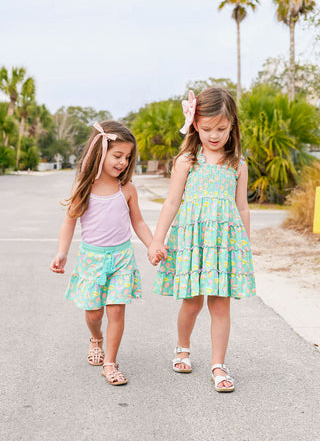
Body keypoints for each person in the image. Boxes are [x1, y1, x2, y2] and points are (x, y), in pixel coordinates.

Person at [148, 87, 256, 392]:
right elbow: (171, 203)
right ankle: (182, 347)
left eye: (221, 128)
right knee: (192, 303)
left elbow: (242, 209)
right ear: (195, 124)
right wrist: (157, 240)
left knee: (220, 306)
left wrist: (244, 247)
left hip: (223, 245)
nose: (214, 135)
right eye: (207, 128)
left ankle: (218, 365)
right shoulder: (186, 160)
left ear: (232, 125)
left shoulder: (238, 164)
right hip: (193, 241)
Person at [50, 120, 158, 386]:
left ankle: (110, 362)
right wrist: (62, 253)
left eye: (128, 157)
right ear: (100, 152)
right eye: (117, 155)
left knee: (116, 311)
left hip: (121, 259)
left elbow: (139, 222)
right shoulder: (84, 189)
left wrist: (153, 244)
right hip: (92, 259)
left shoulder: (127, 189)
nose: (122, 162)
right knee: (94, 313)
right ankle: (95, 338)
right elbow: (69, 221)